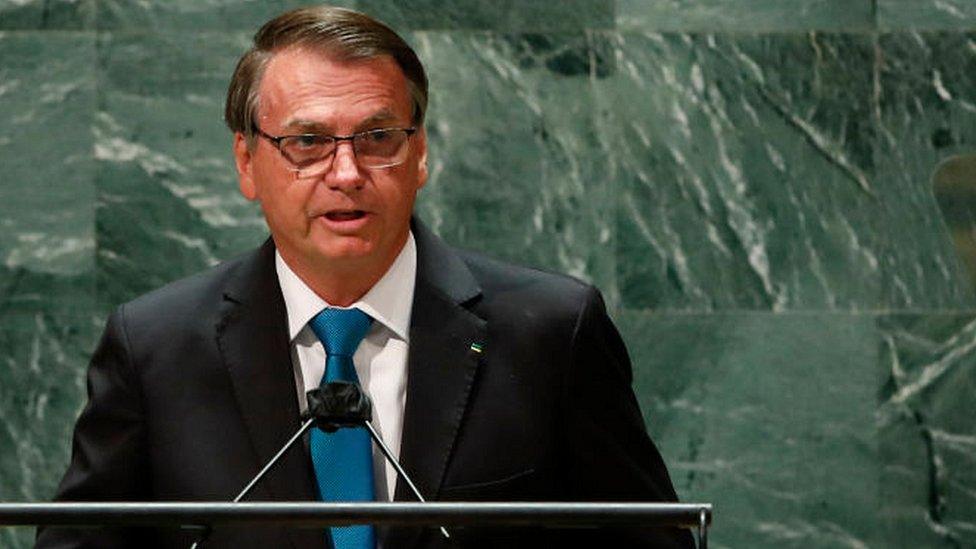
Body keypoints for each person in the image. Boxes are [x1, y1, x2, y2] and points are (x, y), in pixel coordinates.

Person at [36, 6, 693, 549]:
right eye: (308, 142)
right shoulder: (155, 347)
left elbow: (650, 539)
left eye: (378, 137)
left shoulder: (551, 332)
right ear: (246, 161)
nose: (347, 172)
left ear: (420, 153)